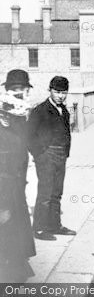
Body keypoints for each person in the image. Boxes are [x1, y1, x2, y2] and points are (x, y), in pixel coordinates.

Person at [27, 76, 76, 240]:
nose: (61, 96)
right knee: (45, 193)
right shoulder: (40, 110)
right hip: (46, 156)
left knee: (57, 192)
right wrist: (40, 154)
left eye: (64, 93)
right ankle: (39, 229)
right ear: (50, 91)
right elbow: (29, 136)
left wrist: (65, 152)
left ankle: (55, 226)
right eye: (57, 92)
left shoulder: (64, 110)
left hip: (61, 155)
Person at [0, 69, 35, 282]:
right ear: (6, 91)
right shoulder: (4, 123)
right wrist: (3, 205)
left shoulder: (19, 119)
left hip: (17, 189)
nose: (20, 93)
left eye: (23, 89)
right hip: (5, 193)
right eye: (15, 89)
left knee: (15, 245)